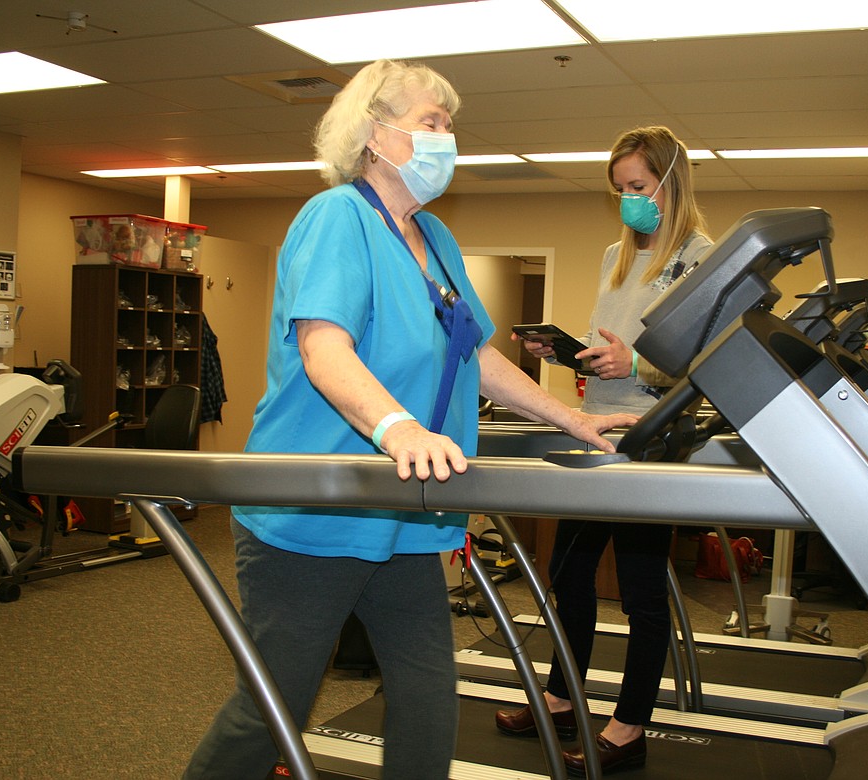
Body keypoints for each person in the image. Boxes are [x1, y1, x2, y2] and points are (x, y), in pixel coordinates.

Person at [183, 59, 637, 780]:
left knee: (427, 691)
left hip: (403, 511)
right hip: (314, 513)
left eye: (449, 125)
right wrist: (399, 430)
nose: (445, 139)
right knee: (274, 707)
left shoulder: (437, 241)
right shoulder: (337, 217)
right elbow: (323, 346)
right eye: (431, 122)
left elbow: (476, 355)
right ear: (374, 133)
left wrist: (570, 419)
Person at [498, 125, 713, 775]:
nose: (628, 200)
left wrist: (638, 364)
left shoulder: (701, 259)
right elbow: (605, 353)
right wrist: (567, 352)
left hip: (651, 437)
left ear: (670, 183)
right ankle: (564, 695)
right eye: (619, 189)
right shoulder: (612, 257)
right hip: (595, 430)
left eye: (638, 187)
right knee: (569, 572)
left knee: (642, 589)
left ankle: (630, 724)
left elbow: (701, 365)